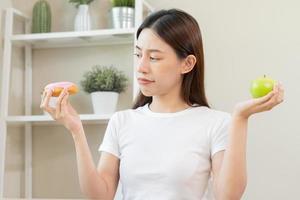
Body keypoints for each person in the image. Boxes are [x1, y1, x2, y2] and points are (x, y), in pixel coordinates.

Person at [40, 9, 284, 200]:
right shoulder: (122, 121)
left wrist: (240, 119)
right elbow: (100, 194)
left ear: (187, 64)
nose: (141, 66)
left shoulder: (216, 123)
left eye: (154, 57)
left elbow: (228, 196)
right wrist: (76, 130)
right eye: (138, 54)